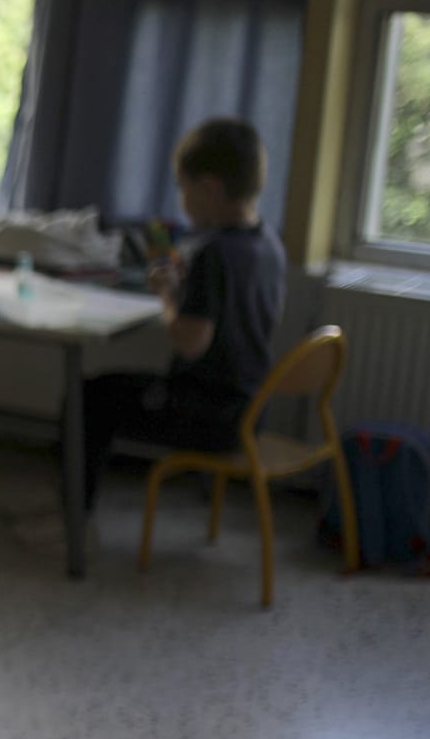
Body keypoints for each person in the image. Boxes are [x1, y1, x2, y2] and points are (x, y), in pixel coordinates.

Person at [73, 116, 287, 517]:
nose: (182, 199)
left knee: (89, 396)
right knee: (108, 390)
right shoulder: (267, 243)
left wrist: (169, 295)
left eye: (182, 187)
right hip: (248, 410)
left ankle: (73, 518)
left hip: (207, 417)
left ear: (208, 188)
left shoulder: (214, 254)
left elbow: (190, 343)